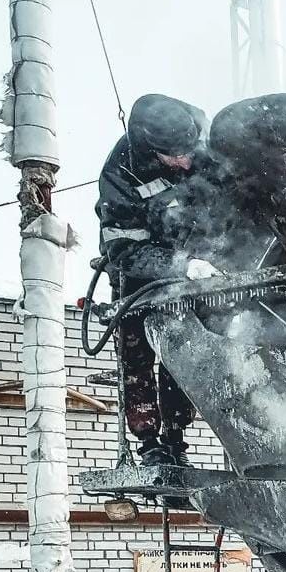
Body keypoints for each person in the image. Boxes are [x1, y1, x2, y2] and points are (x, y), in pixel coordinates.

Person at [95, 94, 210, 468]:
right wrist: (182, 264)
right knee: (137, 354)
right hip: (139, 273)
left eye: (190, 151)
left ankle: (176, 439)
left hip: (194, 264)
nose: (187, 162)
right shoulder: (120, 173)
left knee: (183, 350)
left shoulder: (201, 144)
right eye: (177, 156)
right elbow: (124, 251)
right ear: (154, 149)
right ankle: (149, 443)